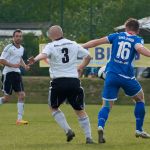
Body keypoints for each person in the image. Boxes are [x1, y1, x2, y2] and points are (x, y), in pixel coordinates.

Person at [82, 18, 150, 143]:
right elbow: (140, 49)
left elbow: (96, 42)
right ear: (137, 30)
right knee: (140, 99)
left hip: (111, 75)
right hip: (127, 77)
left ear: (126, 27)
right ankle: (139, 129)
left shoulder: (116, 36)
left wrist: (80, 46)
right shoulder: (137, 39)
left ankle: (100, 126)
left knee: (106, 106)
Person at [28, 25, 94, 143]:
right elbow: (88, 57)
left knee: (53, 108)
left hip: (58, 82)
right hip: (74, 81)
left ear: (51, 36)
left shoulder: (51, 46)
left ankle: (68, 130)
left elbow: (43, 55)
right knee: (79, 110)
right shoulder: (73, 44)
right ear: (62, 33)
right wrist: (80, 67)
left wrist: (35, 60)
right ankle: (89, 138)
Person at [0, 29, 30, 125]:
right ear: (13, 38)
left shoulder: (22, 48)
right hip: (8, 74)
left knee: (22, 95)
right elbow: (1, 60)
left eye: (20, 36)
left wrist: (24, 66)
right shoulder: (8, 47)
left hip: (17, 74)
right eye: (16, 36)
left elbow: (19, 58)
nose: (18, 38)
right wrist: (13, 65)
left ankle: (19, 120)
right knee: (6, 99)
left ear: (22, 38)